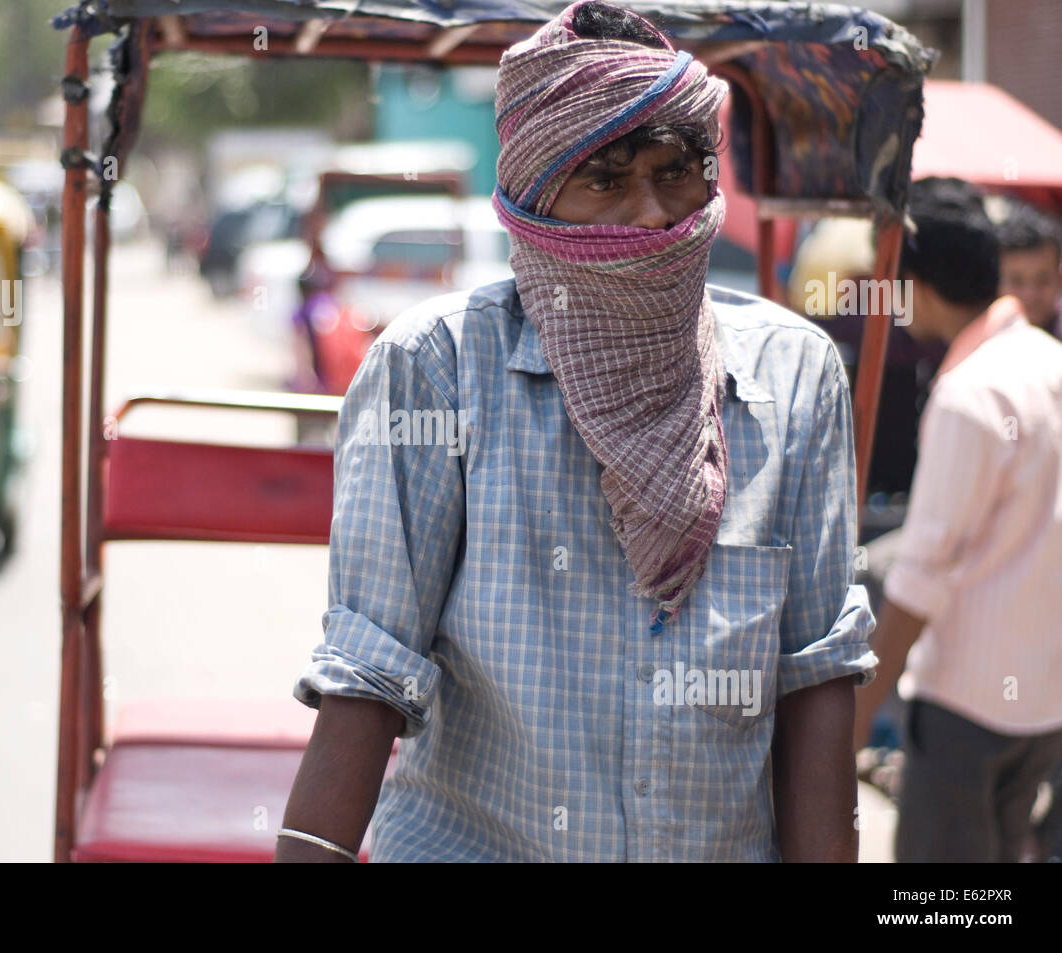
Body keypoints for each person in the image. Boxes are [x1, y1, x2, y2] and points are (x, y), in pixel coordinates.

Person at [277, 0, 877, 863]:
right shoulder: (438, 367)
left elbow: (814, 679)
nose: (649, 215)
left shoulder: (795, 374)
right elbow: (369, 672)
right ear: (532, 196)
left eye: (677, 173)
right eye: (605, 179)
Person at [853, 177, 1062, 862]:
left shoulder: (971, 393)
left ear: (915, 280)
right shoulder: (1046, 360)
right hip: (1041, 706)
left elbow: (920, 577)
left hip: (965, 709)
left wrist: (860, 713)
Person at [993, 196, 1062, 342]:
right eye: (1016, 281)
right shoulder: (976, 339)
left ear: (1059, 278)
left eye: (1043, 280)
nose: (1030, 294)